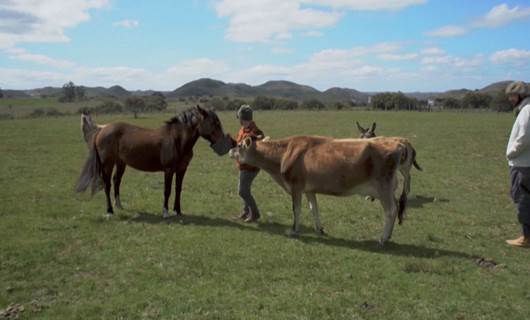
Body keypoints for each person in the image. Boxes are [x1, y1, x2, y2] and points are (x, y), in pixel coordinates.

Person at [506, 81, 530, 247]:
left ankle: (526, 237)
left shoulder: (527, 111)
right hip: (524, 161)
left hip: (523, 163)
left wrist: (511, 152)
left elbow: (524, 138)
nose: (510, 99)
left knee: (522, 199)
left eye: (512, 96)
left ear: (520, 95)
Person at [230, 105, 264, 222]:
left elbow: (259, 137)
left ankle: (255, 213)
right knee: (245, 190)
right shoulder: (243, 129)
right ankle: (246, 211)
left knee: (242, 191)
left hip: (251, 167)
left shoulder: (255, 131)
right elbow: (239, 143)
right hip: (243, 164)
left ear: (243, 119)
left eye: (239, 118)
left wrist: (253, 138)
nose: (239, 120)